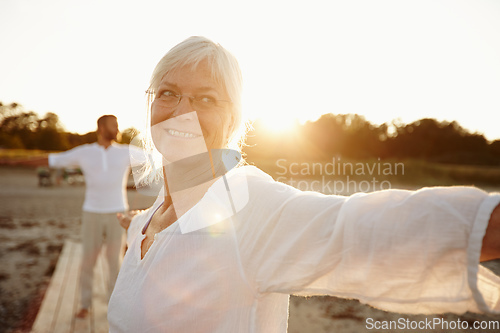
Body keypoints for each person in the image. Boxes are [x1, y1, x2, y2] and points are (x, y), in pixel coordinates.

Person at [107, 36, 500, 332]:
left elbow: (354, 228)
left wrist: (490, 222)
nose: (183, 112)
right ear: (150, 105)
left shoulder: (245, 205)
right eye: (168, 93)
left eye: (207, 99)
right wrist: (142, 224)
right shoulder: (152, 218)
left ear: (233, 119)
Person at [48, 115, 137, 319]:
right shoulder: (85, 152)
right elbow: (54, 160)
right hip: (92, 212)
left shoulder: (126, 152)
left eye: (117, 125)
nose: (117, 128)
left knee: (115, 261)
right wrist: (10, 160)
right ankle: (85, 304)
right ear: (101, 127)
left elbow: (158, 157)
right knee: (88, 260)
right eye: (113, 125)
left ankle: (115, 305)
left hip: (118, 213)